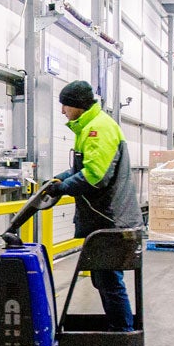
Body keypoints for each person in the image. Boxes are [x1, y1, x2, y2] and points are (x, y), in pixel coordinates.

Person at [50, 80, 143, 331]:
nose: (62, 111)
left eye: (65, 105)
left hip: (111, 220)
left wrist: (63, 188)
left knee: (110, 281)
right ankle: (117, 329)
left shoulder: (98, 129)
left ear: (78, 105)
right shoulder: (88, 128)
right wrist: (60, 178)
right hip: (104, 219)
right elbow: (82, 169)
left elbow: (95, 177)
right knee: (103, 279)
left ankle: (122, 335)